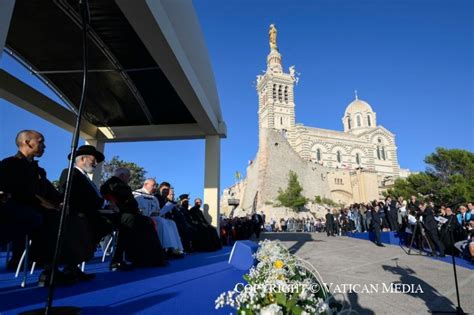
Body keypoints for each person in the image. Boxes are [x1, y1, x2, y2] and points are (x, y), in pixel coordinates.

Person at [0, 130, 86, 286]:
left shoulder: (39, 171)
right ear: (27, 142)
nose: (44, 146)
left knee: (74, 218)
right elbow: (16, 194)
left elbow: (51, 193)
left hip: (40, 210)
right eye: (41, 141)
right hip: (18, 210)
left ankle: (71, 266)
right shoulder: (8, 164)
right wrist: (48, 206)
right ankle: (49, 271)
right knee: (50, 219)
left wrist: (61, 203)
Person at [100, 168, 167, 268]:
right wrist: (112, 202)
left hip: (130, 214)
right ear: (122, 175)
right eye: (128, 176)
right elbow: (105, 192)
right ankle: (120, 258)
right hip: (120, 215)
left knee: (147, 221)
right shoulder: (112, 183)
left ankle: (149, 258)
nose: (129, 179)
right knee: (132, 221)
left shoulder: (122, 185)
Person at [133, 179, 184, 258]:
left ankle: (175, 248)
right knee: (161, 222)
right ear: (146, 184)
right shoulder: (136, 194)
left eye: (155, 185)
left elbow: (157, 210)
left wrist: (159, 212)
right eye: (153, 185)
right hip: (141, 218)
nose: (155, 187)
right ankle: (164, 249)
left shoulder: (154, 198)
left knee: (171, 223)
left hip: (153, 217)